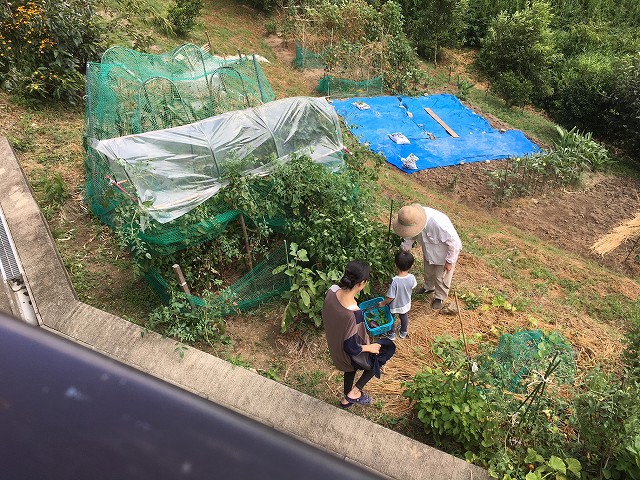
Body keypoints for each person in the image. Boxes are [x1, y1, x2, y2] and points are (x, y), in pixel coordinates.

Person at [322, 260, 381, 409]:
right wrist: (371, 348)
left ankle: (346, 399)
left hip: (334, 345)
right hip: (345, 354)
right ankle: (355, 393)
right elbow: (352, 348)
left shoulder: (332, 290)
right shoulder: (355, 313)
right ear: (362, 283)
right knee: (380, 357)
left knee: (351, 370)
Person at [391, 203, 462, 310]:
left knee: (440, 277)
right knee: (428, 271)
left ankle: (439, 297)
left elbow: (454, 242)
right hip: (429, 250)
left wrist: (449, 261)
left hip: (443, 253)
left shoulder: (438, 224)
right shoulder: (412, 218)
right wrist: (405, 248)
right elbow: (410, 235)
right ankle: (429, 287)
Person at [378, 251, 417, 340]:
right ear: (411, 266)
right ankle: (403, 332)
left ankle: (391, 333)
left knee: (391, 318)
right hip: (406, 303)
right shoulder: (412, 277)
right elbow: (413, 286)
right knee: (404, 317)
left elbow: (391, 297)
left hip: (395, 305)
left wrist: (383, 303)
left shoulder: (394, 281)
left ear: (396, 265)